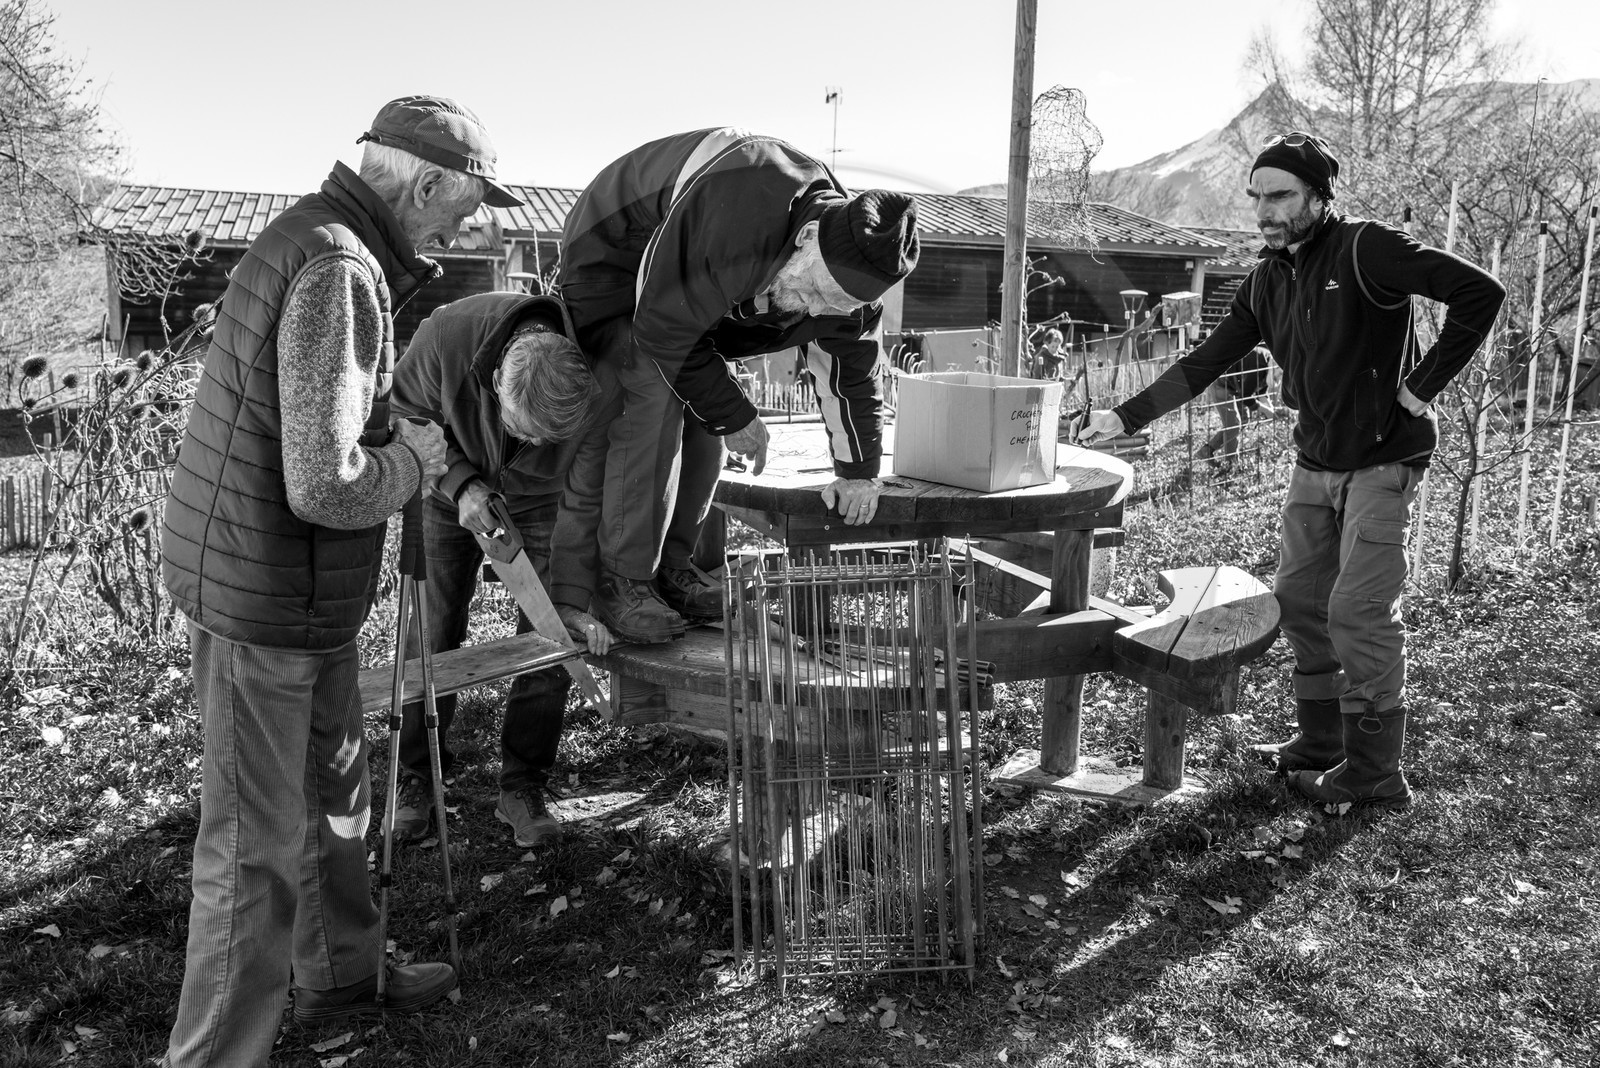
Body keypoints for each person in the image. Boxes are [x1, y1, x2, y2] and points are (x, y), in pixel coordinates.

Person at [159, 95, 522, 1065]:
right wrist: (411, 462)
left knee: (335, 796)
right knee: (254, 854)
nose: (470, 223)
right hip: (264, 596)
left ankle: (342, 976)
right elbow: (324, 484)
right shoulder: (336, 269)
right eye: (467, 203)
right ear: (426, 182)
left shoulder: (324, 243)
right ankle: (211, 1057)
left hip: (298, 595)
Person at [1077, 131, 1504, 811]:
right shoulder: (1267, 281)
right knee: (1302, 604)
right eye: (1256, 197)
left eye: (1279, 195)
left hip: (1384, 455)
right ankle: (1321, 742)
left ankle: (1375, 773)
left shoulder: (1367, 249)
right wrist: (1125, 418)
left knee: (1358, 612)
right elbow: (1204, 362)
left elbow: (1480, 293)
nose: (1264, 211)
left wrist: (1419, 389)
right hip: (1316, 456)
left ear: (1317, 195)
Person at [556, 127, 920, 643]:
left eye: (834, 305)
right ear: (807, 237)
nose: (817, 309)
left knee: (709, 402)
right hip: (613, 247)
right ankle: (624, 580)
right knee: (654, 391)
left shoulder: (844, 292)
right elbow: (663, 330)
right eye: (817, 290)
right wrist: (738, 417)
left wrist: (859, 473)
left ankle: (672, 568)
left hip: (702, 279)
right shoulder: (740, 209)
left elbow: (852, 378)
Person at [388, 290, 616, 848]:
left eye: (546, 439)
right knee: (433, 627)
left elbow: (587, 492)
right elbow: (401, 415)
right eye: (525, 432)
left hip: (543, 502)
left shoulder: (590, 380)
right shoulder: (445, 337)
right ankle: (417, 777)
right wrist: (459, 483)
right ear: (494, 384)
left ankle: (524, 783)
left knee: (548, 633)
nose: (534, 444)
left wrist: (572, 594)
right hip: (445, 494)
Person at [1194, 344, 1271, 468]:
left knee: (1243, 420)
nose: (1279, 380)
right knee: (1234, 425)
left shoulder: (1269, 364)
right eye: (1279, 375)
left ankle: (1206, 451)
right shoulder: (1260, 365)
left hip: (1235, 385)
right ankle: (1230, 465)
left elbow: (1262, 393)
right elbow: (1245, 396)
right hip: (1220, 382)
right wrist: (1266, 410)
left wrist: (1272, 411)